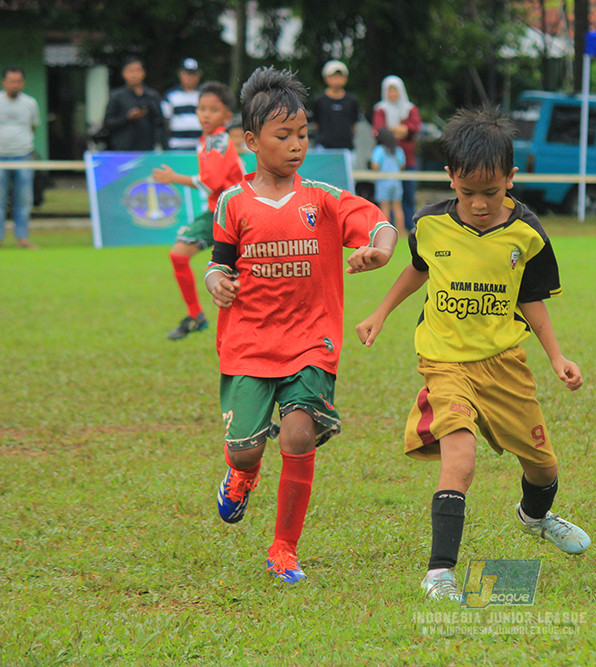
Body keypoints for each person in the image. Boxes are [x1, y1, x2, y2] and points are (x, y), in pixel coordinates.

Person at [355, 107, 590, 602]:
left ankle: (535, 516)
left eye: (491, 191)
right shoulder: (430, 224)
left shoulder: (528, 234)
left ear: (511, 178)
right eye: (467, 193)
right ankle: (439, 573)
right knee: (460, 459)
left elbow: (531, 298)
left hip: (504, 363)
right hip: (444, 361)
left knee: (544, 469)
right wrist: (380, 313)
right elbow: (418, 270)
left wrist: (556, 357)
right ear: (450, 179)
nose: (479, 204)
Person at [205, 67, 396, 584]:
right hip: (249, 342)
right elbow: (220, 262)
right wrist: (217, 281)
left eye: (303, 135)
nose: (296, 146)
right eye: (283, 136)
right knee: (247, 446)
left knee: (297, 436)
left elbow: (378, 223)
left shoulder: (323, 199)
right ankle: (242, 473)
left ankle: (284, 549)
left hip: (312, 339)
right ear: (251, 141)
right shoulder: (233, 203)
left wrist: (379, 249)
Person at [152, 81, 245, 341]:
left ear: (226, 116)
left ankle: (203, 318)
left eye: (212, 110)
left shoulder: (217, 142)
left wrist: (173, 177)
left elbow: (211, 182)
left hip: (230, 214)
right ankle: (197, 316)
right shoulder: (208, 140)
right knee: (183, 257)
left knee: (239, 273)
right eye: (201, 108)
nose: (205, 114)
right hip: (221, 211)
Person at [373, 75, 421, 232]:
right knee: (389, 204)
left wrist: (391, 130)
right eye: (389, 90)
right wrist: (401, 130)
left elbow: (413, 129)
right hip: (386, 170)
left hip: (408, 162)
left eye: (395, 90)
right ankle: (390, 231)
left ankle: (409, 229)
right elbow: (380, 131)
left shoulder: (410, 109)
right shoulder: (380, 109)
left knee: (407, 198)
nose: (392, 93)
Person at [0, 66, 40, 249]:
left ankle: (22, 239)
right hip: (0, 159)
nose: (14, 85)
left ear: (22, 83)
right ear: (4, 82)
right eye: (11, 81)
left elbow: (33, 127)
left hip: (23, 157)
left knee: (23, 200)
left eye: (17, 81)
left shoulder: (30, 103)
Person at [103, 57, 165, 151]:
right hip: (123, 150)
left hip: (147, 149)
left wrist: (160, 143)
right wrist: (127, 118)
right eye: (131, 71)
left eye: (137, 70)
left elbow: (159, 123)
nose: (134, 75)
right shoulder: (117, 96)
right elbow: (108, 123)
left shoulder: (152, 96)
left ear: (143, 73)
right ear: (124, 73)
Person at [311, 60, 362, 154]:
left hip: (346, 149)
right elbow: (316, 123)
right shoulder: (319, 100)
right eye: (333, 76)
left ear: (345, 78)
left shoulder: (352, 100)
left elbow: (353, 125)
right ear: (326, 78)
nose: (337, 79)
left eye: (340, 76)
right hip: (323, 148)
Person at [161, 58, 203, 151]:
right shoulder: (170, 95)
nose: (190, 77)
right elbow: (165, 120)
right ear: (180, 74)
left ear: (199, 75)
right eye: (187, 74)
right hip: (177, 145)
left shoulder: (205, 95)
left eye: (193, 74)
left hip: (200, 145)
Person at [370, 127, 406, 235]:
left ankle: (387, 233)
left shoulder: (379, 150)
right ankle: (402, 233)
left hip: (383, 181)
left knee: (385, 207)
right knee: (397, 207)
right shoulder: (398, 149)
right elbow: (402, 165)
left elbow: (375, 165)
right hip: (396, 180)